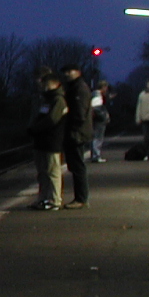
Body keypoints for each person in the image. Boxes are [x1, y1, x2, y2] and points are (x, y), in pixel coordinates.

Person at [29, 72, 67, 209]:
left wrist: (35, 128)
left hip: (52, 140)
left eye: (45, 83)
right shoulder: (47, 99)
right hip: (42, 140)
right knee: (43, 172)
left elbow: (52, 119)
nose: (42, 86)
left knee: (53, 171)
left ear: (53, 84)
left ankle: (55, 200)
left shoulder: (58, 100)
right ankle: (43, 198)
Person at [60, 64, 92, 208]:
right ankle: (80, 198)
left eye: (70, 71)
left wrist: (72, 127)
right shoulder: (75, 87)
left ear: (78, 72)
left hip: (76, 133)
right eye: (65, 72)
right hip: (76, 132)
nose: (67, 74)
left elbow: (79, 112)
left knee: (78, 166)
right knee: (76, 166)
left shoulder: (79, 89)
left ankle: (81, 199)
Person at [89, 80, 111, 162]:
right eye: (106, 88)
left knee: (95, 138)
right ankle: (96, 156)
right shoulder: (97, 96)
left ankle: (94, 155)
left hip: (96, 120)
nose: (106, 90)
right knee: (98, 138)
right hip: (99, 121)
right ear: (103, 87)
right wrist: (103, 117)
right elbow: (96, 109)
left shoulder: (95, 95)